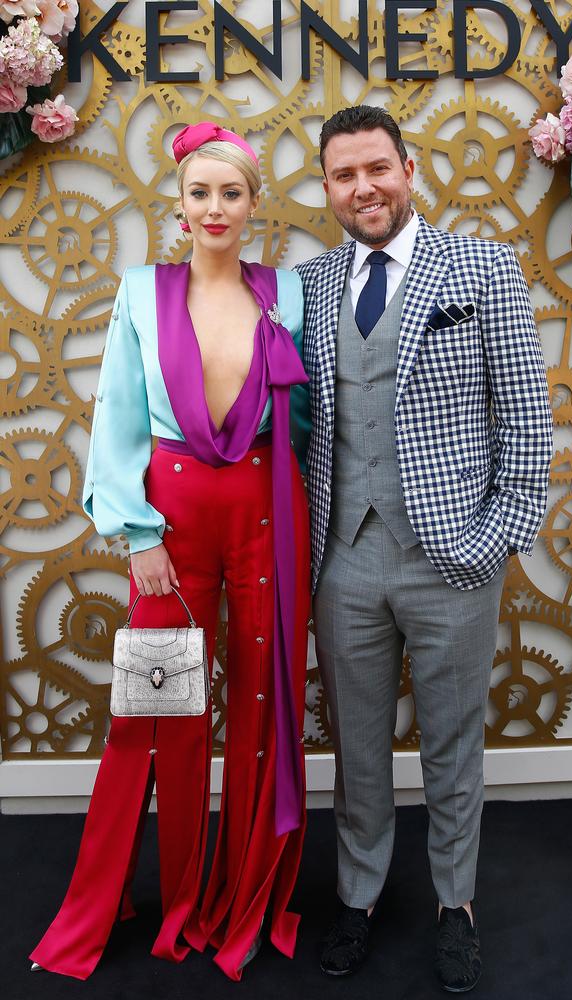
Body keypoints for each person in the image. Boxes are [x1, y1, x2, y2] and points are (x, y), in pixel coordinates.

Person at [30, 122, 311, 982]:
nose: (216, 208)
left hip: (268, 518)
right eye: (201, 193)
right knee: (155, 713)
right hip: (171, 531)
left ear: (254, 205)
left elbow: (308, 423)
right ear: (179, 206)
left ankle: (245, 897)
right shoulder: (139, 292)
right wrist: (138, 534)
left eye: (232, 193)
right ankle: (147, 900)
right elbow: (114, 416)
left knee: (263, 712)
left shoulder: (289, 292)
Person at [295, 105, 553, 993]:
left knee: (454, 748)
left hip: (455, 558)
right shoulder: (313, 282)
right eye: (343, 175)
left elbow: (526, 415)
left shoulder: (478, 265)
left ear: (408, 168)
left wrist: (498, 539)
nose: (362, 187)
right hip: (345, 560)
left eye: (377, 168)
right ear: (326, 187)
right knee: (355, 752)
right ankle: (358, 898)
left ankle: (456, 905)